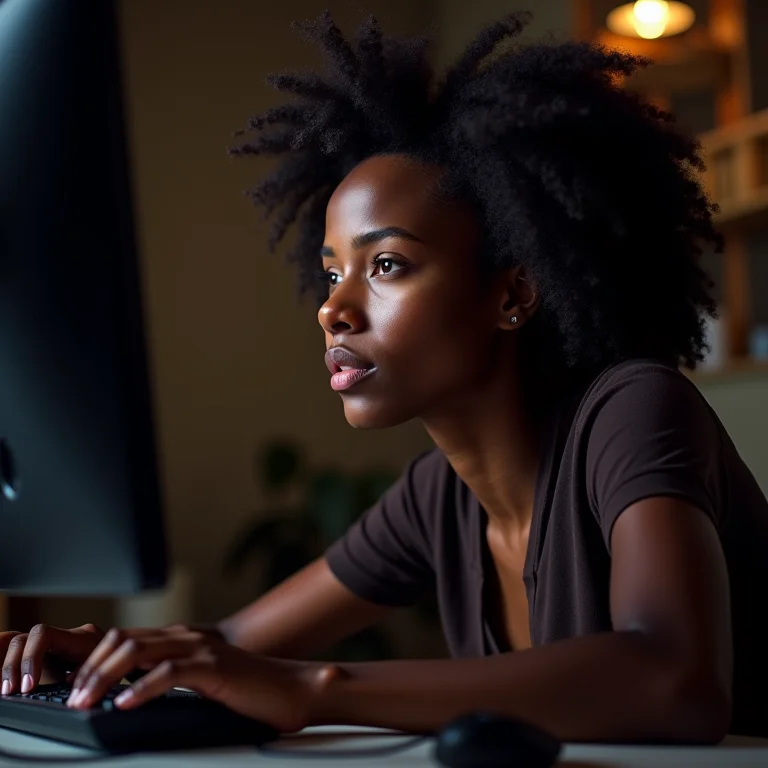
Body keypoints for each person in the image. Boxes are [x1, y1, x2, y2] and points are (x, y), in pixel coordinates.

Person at [2, 9, 767, 744]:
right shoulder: (440, 495)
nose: (332, 309)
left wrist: (318, 690)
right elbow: (233, 643)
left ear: (512, 294)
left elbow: (676, 680)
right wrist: (101, 652)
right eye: (333, 271)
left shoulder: (632, 413)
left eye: (388, 265)